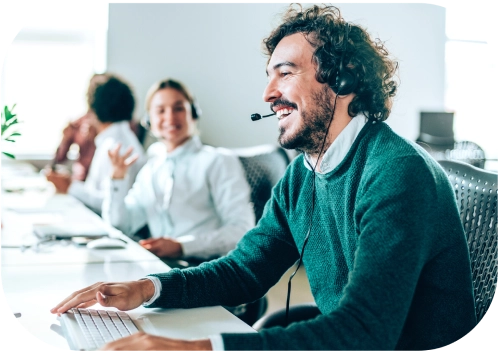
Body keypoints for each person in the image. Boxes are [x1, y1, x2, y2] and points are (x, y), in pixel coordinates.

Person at [51, 4, 477, 351]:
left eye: (285, 72)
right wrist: (147, 288)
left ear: (342, 79)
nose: (268, 93)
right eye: (269, 74)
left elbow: (367, 331)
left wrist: (201, 349)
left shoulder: (395, 172)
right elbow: (245, 270)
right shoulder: (303, 173)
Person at [101, 78, 255, 262]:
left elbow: (241, 231)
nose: (170, 117)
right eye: (160, 111)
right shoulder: (151, 169)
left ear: (194, 113)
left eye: (178, 108)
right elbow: (121, 225)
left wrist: (182, 246)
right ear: (149, 120)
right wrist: (117, 180)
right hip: (164, 268)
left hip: (210, 269)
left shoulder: (218, 161)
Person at [46, 74, 146, 215]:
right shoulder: (121, 138)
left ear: (92, 109)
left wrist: (70, 186)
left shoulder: (114, 146)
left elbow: (109, 203)